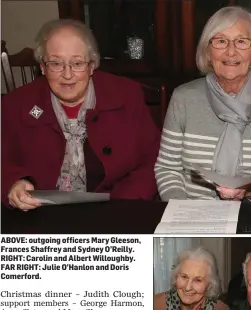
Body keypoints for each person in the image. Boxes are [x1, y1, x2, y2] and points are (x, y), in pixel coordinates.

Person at [1, 19, 160, 211]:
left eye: (77, 63)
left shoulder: (127, 96)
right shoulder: (15, 104)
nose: (67, 74)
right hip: (40, 215)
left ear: (92, 65)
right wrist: (13, 183)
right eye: (56, 63)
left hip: (115, 212)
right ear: (42, 67)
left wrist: (122, 204)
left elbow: (152, 160)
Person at [155, 6, 251, 202]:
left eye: (241, 42)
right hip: (192, 214)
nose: (230, 51)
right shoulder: (184, 98)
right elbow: (168, 168)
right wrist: (181, 210)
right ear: (208, 52)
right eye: (221, 41)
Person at [153, 246, 229, 310]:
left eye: (197, 280)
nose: (188, 287)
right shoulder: (154, 306)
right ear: (176, 277)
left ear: (209, 285)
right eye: (184, 277)